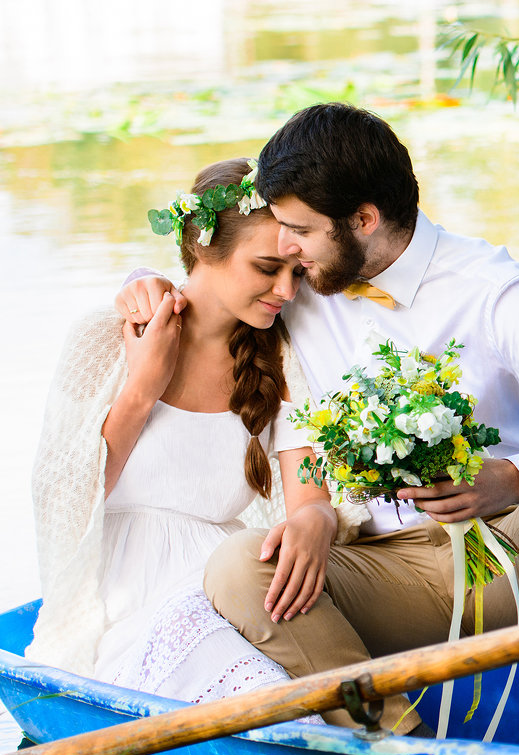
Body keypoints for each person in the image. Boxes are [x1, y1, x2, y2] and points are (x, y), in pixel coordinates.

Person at [116, 103, 519, 747]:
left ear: (364, 219)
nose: (286, 249)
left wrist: (513, 479)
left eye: (299, 232)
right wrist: (143, 283)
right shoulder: (302, 287)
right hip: (388, 566)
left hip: (508, 564)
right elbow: (220, 265)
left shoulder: (495, 292)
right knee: (240, 567)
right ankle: (405, 753)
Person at [29, 158, 359, 713]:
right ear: (205, 249)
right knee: (246, 681)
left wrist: (314, 517)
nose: (287, 290)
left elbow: (309, 489)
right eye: (266, 268)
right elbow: (66, 496)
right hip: (121, 596)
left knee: (292, 676)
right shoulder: (103, 339)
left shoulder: (281, 359)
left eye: (296, 272)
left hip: (227, 581)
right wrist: (143, 385)